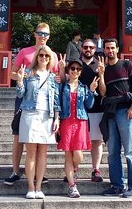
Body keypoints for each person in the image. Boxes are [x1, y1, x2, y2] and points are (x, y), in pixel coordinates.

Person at [5, 22, 59, 186]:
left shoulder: (52, 55)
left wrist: (61, 75)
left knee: (41, 138)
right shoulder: (24, 52)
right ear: (34, 34)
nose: (43, 37)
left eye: (46, 34)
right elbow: (12, 73)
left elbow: (55, 78)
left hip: (44, 102)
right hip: (24, 98)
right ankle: (15, 171)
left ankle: (38, 174)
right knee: (18, 135)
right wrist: (21, 77)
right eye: (40, 33)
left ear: (49, 37)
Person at [14, 45, 60, 199]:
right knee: (31, 152)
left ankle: (39, 187)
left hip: (47, 116)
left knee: (43, 153)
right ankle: (30, 187)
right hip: (30, 114)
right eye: (41, 56)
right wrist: (20, 81)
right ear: (37, 57)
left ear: (50, 59)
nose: (44, 58)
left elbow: (56, 100)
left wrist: (57, 118)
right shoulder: (28, 73)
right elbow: (20, 94)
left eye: (47, 56)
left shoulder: (53, 77)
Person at [99, 39, 132, 198]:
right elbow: (103, 92)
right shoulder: (104, 69)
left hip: (125, 110)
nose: (110, 50)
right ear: (104, 50)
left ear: (117, 49)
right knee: (112, 152)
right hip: (111, 111)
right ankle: (117, 185)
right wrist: (101, 75)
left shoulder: (126, 65)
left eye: (112, 48)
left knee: (130, 150)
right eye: (107, 48)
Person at [57, 59, 99, 198]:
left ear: (80, 72)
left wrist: (92, 91)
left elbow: (90, 105)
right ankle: (72, 186)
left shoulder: (84, 87)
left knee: (78, 154)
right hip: (66, 122)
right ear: (69, 71)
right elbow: (57, 104)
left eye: (78, 69)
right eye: (73, 68)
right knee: (68, 154)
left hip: (81, 122)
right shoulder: (62, 87)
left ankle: (74, 168)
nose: (75, 71)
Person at [78, 38, 106, 182]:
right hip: (78, 109)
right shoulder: (75, 64)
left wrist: (101, 75)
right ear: (81, 48)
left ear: (95, 49)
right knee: (77, 142)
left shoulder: (100, 65)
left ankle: (96, 169)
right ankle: (73, 169)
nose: (88, 49)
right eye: (85, 47)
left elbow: (103, 91)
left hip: (97, 107)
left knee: (96, 141)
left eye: (91, 47)